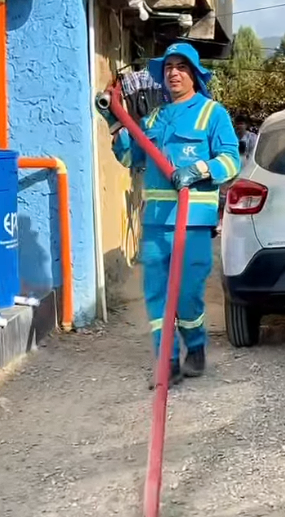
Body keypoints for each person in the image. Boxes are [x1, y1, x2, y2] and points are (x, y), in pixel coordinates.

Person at [97, 43, 240, 387]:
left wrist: (200, 169)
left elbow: (232, 161)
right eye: (168, 68)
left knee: (189, 293)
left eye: (181, 67)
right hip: (158, 223)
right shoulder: (155, 118)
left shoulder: (211, 113)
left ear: (194, 74)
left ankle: (195, 346)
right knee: (157, 296)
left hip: (192, 222)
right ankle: (168, 362)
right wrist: (116, 124)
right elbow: (133, 159)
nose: (173, 72)